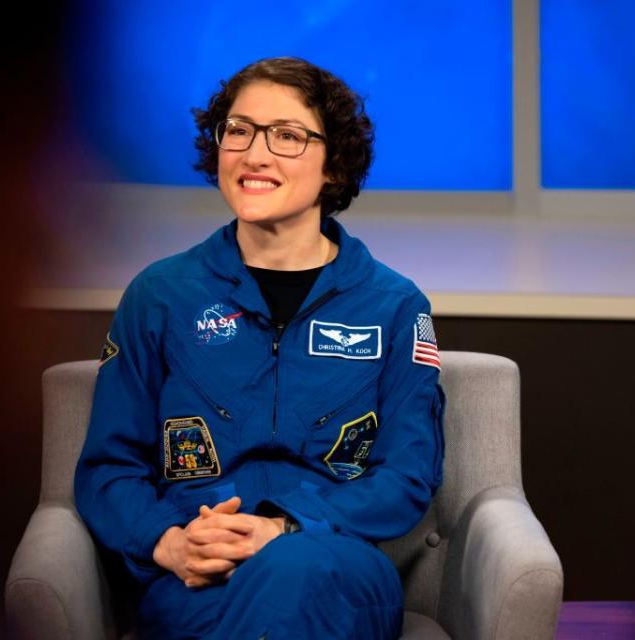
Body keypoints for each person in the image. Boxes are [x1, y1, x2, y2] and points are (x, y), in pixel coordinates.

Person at [74, 56, 445, 640]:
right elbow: (108, 468)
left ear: (335, 166)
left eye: (288, 136)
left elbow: (406, 476)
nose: (254, 154)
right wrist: (168, 544)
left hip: (337, 563)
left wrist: (282, 529)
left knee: (297, 573)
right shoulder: (159, 295)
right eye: (239, 130)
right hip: (200, 573)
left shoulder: (395, 306)